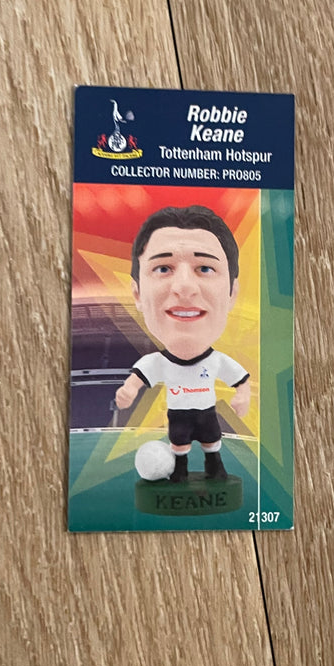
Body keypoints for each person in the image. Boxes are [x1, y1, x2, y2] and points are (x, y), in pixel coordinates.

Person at [115, 205, 251, 482]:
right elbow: (139, 377)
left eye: (205, 268)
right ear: (137, 293)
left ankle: (215, 465)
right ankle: (179, 470)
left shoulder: (216, 360)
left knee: (212, 439)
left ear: (232, 293)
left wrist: (243, 395)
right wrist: (128, 390)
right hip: (178, 412)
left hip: (206, 411)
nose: (184, 287)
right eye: (163, 268)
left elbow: (240, 379)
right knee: (179, 442)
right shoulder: (158, 362)